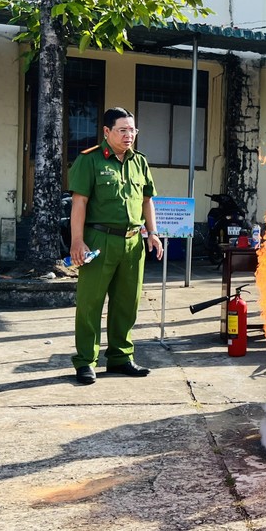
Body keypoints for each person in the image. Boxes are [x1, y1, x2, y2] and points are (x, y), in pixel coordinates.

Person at [68, 107, 163, 385]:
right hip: (99, 239)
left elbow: (147, 200)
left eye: (132, 130)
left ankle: (120, 358)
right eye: (122, 130)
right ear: (107, 132)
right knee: (90, 303)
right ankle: (86, 361)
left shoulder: (140, 162)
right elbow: (79, 203)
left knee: (127, 303)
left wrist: (152, 233)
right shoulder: (90, 161)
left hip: (133, 241)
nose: (128, 135)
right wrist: (77, 240)